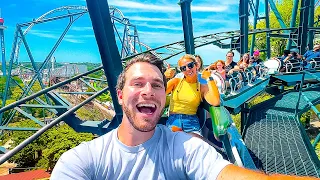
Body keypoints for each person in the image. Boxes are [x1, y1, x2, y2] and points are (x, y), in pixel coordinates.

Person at [51, 53, 319, 180]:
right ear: (120, 95)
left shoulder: (185, 148)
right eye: (138, 84)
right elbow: (164, 90)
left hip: (188, 123)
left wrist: (204, 80)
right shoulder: (80, 161)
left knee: (186, 136)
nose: (149, 91)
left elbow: (214, 102)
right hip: (174, 118)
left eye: (154, 85)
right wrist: (168, 80)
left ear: (197, 65)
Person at [165, 54, 220, 136]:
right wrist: (164, 77)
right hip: (174, 120)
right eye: (183, 68)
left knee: (197, 146)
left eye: (190, 65)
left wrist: (209, 78)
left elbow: (215, 102)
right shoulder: (176, 82)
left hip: (191, 122)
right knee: (172, 146)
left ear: (196, 65)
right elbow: (158, 93)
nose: (187, 69)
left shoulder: (201, 87)